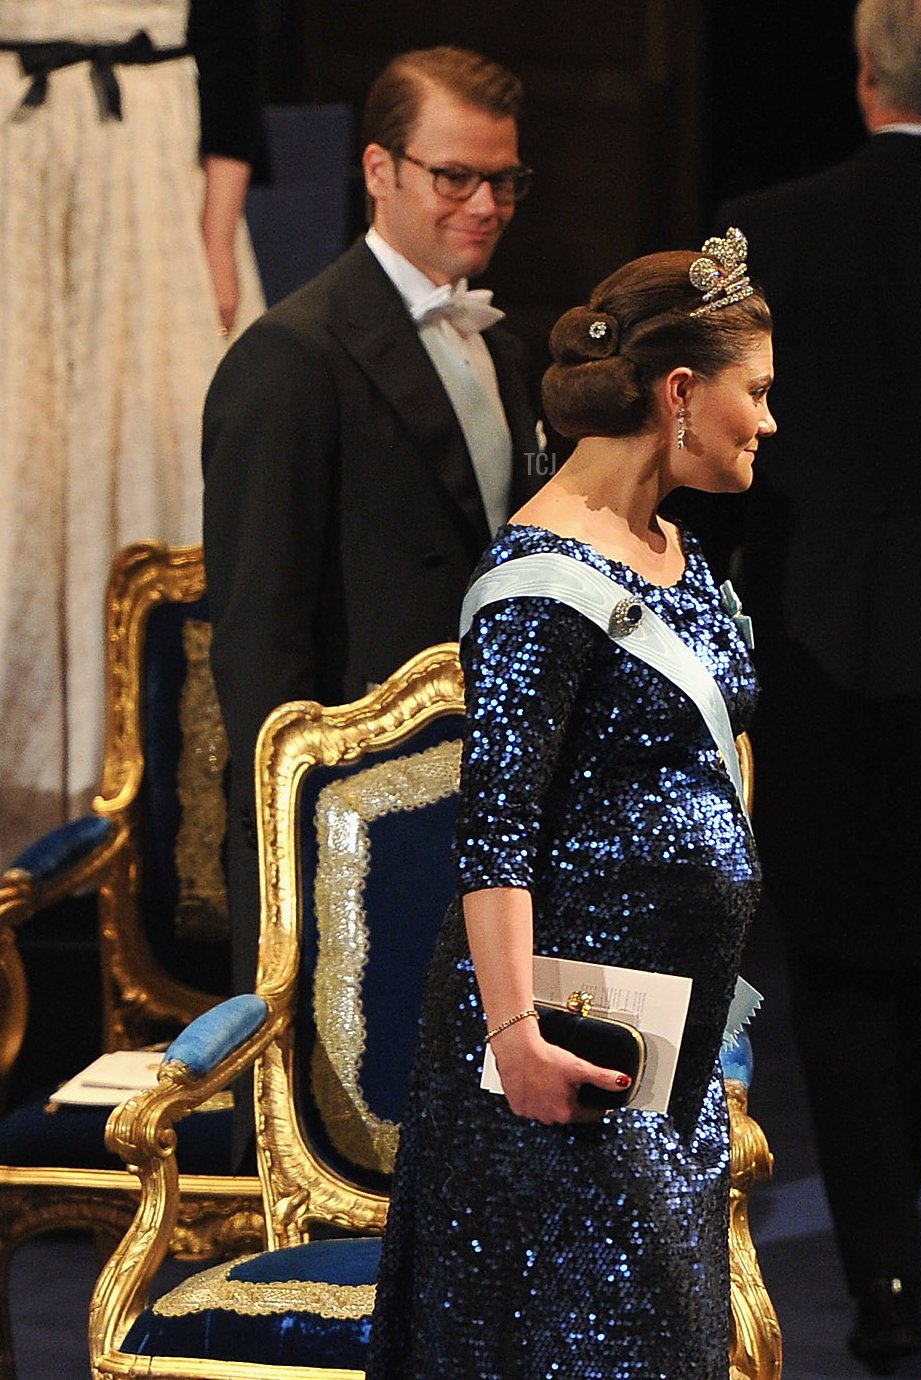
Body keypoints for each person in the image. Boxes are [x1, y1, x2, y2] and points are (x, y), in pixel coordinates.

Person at [365, 239, 776, 1378]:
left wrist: (722, 1015)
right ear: (682, 394)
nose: (770, 422)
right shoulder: (538, 583)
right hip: (557, 1049)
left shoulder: (676, 551)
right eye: (759, 392)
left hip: (666, 1043)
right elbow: (492, 834)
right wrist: (519, 1041)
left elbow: (698, 791)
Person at [714, 0, 921, 1365]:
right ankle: (898, 1249)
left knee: (842, 962)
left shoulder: (772, 227)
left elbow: (708, 450)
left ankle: (879, 1267)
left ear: (866, 71)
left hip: (826, 650)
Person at [202, 46, 543, 1005]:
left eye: (504, 179)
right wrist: (296, 843)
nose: (485, 204)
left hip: (479, 811)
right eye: (456, 177)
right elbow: (259, 645)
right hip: (346, 834)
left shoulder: (502, 349)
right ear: (378, 171)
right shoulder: (289, 358)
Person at [0, 0, 265, 869]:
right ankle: (26, 797)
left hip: (147, 185)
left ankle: (147, 813)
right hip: (17, 171)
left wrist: (216, 244)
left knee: (152, 464)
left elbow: (233, 68)